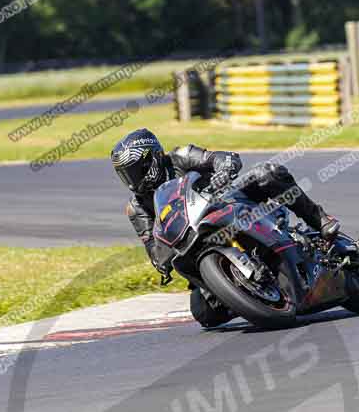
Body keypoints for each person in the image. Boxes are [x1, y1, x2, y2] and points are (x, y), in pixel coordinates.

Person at [110, 128, 340, 327]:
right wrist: (162, 261)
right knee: (204, 313)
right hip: (193, 239)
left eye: (135, 170)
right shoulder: (136, 207)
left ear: (152, 159)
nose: (131, 180)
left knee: (267, 173)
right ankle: (246, 289)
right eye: (125, 175)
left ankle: (318, 219)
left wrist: (223, 171)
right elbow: (154, 249)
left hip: (229, 201)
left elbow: (225, 158)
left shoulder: (181, 156)